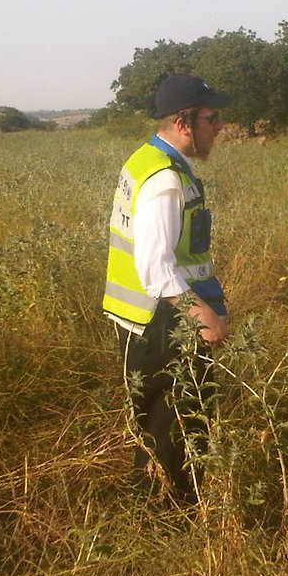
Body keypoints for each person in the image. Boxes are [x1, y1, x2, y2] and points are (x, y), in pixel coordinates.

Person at [103, 74, 233, 502]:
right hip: (163, 322)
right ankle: (173, 520)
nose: (218, 126)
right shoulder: (164, 178)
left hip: (144, 319)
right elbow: (156, 267)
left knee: (157, 426)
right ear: (183, 121)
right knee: (178, 426)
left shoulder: (148, 160)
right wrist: (204, 317)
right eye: (211, 118)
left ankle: (158, 511)